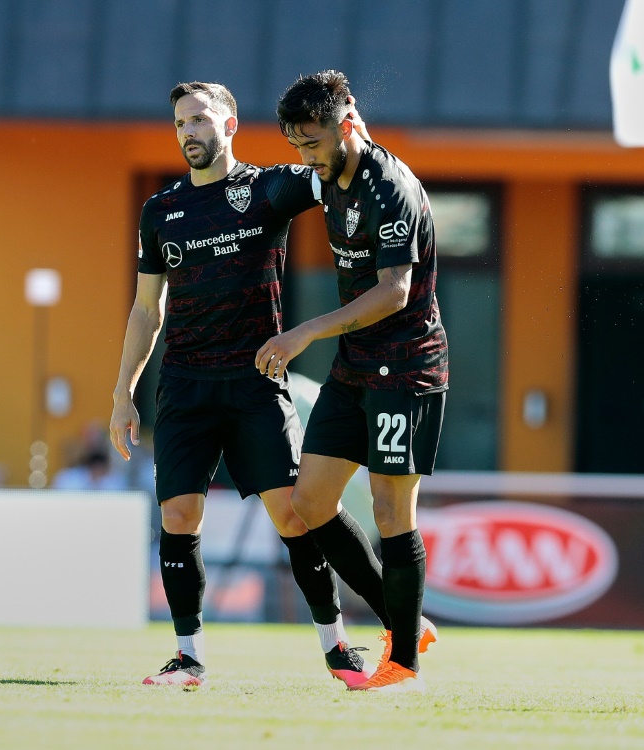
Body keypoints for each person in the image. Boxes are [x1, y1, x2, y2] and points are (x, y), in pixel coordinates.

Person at [109, 81, 375, 688]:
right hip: (184, 385)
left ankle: (337, 647)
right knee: (179, 515)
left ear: (230, 125)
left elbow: (338, 166)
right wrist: (123, 390)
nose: (188, 132)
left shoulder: (268, 188)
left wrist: (353, 137)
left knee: (292, 514)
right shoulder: (160, 211)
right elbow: (147, 309)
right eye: (180, 122)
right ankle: (189, 656)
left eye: (200, 119)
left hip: (256, 381)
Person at [256, 70, 448, 693]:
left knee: (394, 509)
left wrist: (304, 331)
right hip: (356, 367)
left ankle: (404, 663)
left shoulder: (390, 186)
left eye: (312, 144)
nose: (305, 157)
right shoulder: (328, 173)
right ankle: (407, 622)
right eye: (297, 146)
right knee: (309, 503)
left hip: (407, 365)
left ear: (344, 125)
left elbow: (393, 293)